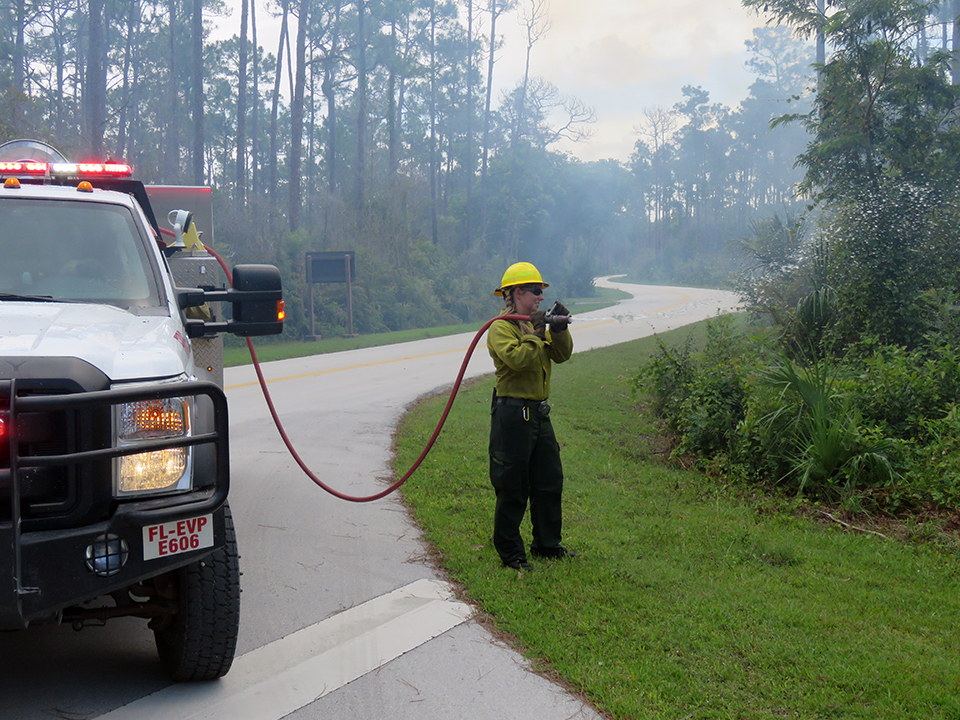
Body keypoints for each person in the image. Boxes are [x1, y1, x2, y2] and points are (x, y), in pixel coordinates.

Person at [487, 261, 574, 572]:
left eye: (541, 292)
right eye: (536, 291)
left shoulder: (532, 324)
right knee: (513, 485)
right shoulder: (501, 328)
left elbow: (561, 355)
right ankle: (511, 554)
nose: (540, 297)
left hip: (539, 414)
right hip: (513, 415)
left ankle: (547, 545)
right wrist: (537, 331)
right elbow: (519, 360)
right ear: (518, 292)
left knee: (549, 481)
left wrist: (558, 330)